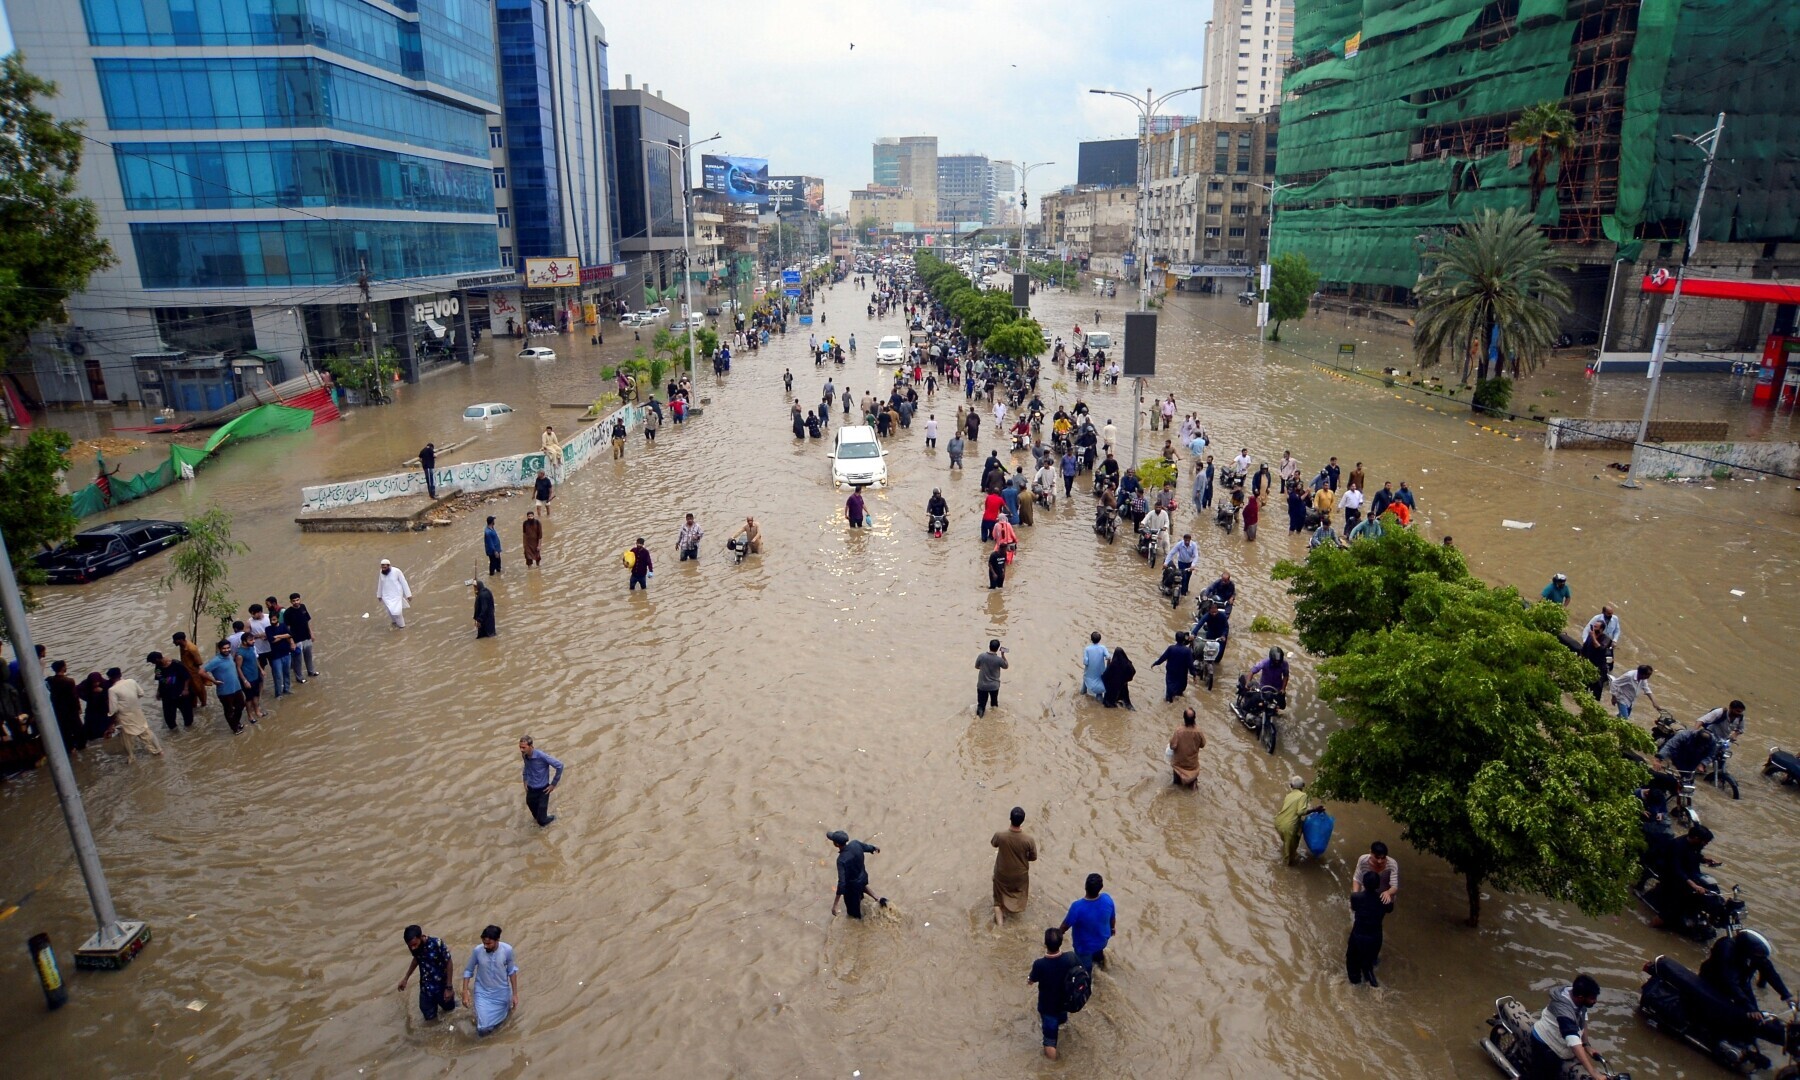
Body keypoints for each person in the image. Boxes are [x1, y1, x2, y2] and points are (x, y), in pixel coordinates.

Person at [1699, 930, 1797, 1047]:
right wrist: (1748, 1007)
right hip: (1717, 983)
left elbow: (1770, 972)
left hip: (1740, 984)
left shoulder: (1753, 956)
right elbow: (1728, 982)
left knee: (1756, 1020)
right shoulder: (1725, 949)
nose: (1760, 958)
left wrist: (1787, 995)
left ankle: (1747, 1040)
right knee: (1734, 1014)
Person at [1527, 975, 1606, 1080]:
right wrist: (1593, 1073)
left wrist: (1586, 1045)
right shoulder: (1564, 1012)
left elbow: (1583, 1019)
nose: (1595, 1001)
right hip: (1546, 1044)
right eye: (1592, 998)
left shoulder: (1577, 997)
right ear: (1580, 997)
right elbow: (1573, 1041)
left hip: (1561, 1042)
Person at [1027, 927, 1082, 1061]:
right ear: (1061, 943)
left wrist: (1029, 980)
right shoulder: (1071, 957)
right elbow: (1080, 970)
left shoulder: (1040, 964)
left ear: (1045, 944)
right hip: (1065, 1003)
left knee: (1049, 1041)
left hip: (1048, 1008)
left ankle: (1054, 1066)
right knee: (1062, 1022)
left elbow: (1032, 980)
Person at [460, 926, 518, 1037]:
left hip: (501, 993)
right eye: (484, 943)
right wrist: (465, 991)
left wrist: (515, 995)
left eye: (489, 943)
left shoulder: (507, 950)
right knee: (483, 1028)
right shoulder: (478, 951)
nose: (485, 946)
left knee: (502, 1021)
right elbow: (468, 971)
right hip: (483, 993)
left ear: (497, 940)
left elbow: (512, 972)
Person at [398, 925, 457, 1022]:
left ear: (421, 937)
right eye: (410, 946)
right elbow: (416, 959)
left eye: (414, 944)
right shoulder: (414, 947)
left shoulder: (437, 943)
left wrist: (449, 987)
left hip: (442, 987)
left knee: (450, 1014)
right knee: (430, 1021)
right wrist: (406, 978)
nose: (413, 948)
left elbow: (449, 962)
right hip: (426, 990)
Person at [991, 806, 1038, 928]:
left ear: (1010, 818)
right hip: (1020, 876)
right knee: (1018, 892)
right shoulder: (1029, 840)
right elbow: (1033, 857)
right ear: (1022, 821)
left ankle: (1000, 926)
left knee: (997, 900)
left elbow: (993, 843)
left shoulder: (1000, 835)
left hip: (1002, 874)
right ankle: (1015, 911)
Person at [1059, 873, 1116, 971]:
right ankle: (1101, 966)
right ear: (1101, 887)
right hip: (1102, 941)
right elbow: (1112, 918)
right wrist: (1112, 929)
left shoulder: (1077, 907)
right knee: (1098, 956)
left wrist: (1056, 937)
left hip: (1084, 948)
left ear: (1085, 886)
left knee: (1085, 970)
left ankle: (1088, 980)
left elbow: (1064, 926)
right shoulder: (1107, 899)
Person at [103, 667, 161, 761]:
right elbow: (141, 693)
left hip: (124, 717)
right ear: (120, 674)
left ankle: (131, 757)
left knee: (127, 739)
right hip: (137, 712)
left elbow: (113, 709)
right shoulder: (131, 681)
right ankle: (158, 750)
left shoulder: (112, 690)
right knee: (146, 732)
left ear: (110, 678)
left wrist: (110, 720)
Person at [1346, 871, 1392, 986]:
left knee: (1352, 964)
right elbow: (1390, 909)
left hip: (1358, 937)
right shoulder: (1384, 900)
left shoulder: (1356, 897)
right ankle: (1374, 985)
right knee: (1368, 966)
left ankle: (1355, 987)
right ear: (1378, 885)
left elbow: (1354, 908)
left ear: (1364, 884)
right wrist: (1387, 894)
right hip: (1375, 938)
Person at [827, 830, 886, 919]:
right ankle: (878, 898)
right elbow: (867, 847)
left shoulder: (841, 860)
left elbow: (842, 883)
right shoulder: (855, 844)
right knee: (860, 888)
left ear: (836, 844)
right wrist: (875, 848)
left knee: (853, 916)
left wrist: (835, 904)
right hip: (863, 878)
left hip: (852, 888)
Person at [203, 639, 247, 734]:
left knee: (241, 706)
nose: (226, 650)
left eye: (228, 648)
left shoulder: (230, 656)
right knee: (229, 710)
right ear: (219, 649)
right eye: (224, 648)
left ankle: (236, 722)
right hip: (225, 691)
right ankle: (235, 729)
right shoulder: (215, 661)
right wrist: (213, 681)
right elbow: (201, 672)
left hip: (236, 688)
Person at [518, 734, 563, 827]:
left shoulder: (542, 756)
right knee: (531, 807)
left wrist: (553, 784)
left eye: (523, 747)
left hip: (543, 790)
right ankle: (539, 820)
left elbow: (560, 765)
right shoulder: (524, 755)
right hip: (530, 788)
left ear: (531, 746)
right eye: (520, 747)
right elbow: (526, 767)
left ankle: (553, 818)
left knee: (542, 821)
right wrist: (525, 780)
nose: (521, 750)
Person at [146, 651, 197, 730]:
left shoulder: (176, 664)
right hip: (167, 696)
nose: (153, 664)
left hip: (180, 694)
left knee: (188, 716)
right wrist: (158, 691)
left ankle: (190, 731)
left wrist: (186, 689)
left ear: (157, 659)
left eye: (153, 662)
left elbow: (187, 677)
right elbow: (160, 680)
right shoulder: (158, 667)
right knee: (169, 718)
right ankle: (175, 733)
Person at [1168, 708, 1205, 788]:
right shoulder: (1199, 732)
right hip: (1192, 766)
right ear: (1194, 718)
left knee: (1176, 787)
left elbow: (1172, 746)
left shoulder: (1178, 731)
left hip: (1179, 766)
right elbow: (1203, 744)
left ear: (1184, 718)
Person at [1275, 777, 1309, 865]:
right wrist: (1314, 810)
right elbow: (1300, 812)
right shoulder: (1303, 795)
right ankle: (1287, 870)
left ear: (1291, 786)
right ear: (1303, 786)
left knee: (1287, 843)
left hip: (1278, 822)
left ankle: (1287, 852)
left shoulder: (1288, 795)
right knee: (1290, 857)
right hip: (1289, 826)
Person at [1152, 633, 1194, 702]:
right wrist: (1194, 674)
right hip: (1182, 675)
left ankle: (1168, 703)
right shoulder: (1187, 651)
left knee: (1169, 694)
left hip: (1171, 674)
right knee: (1179, 692)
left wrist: (1155, 663)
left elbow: (1163, 658)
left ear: (1176, 639)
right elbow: (1190, 664)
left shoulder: (1171, 648)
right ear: (1184, 640)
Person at [284, 593, 318, 680]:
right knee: (297, 659)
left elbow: (307, 621)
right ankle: (299, 677)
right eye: (294, 601)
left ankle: (311, 671)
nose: (296, 602)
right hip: (296, 639)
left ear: (300, 599)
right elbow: (287, 629)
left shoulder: (303, 607)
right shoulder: (288, 612)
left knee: (308, 655)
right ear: (291, 602)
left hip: (306, 636)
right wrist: (291, 641)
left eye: (297, 600)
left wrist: (311, 633)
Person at [375, 558, 412, 629]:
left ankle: (402, 627)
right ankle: (394, 623)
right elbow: (380, 583)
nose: (384, 569)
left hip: (396, 594)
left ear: (389, 566)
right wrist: (379, 595)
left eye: (385, 567)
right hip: (386, 595)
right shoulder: (381, 572)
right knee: (390, 610)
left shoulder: (397, 571)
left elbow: (404, 582)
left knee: (397, 612)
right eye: (382, 567)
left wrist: (408, 595)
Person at [976, 639, 1008, 717]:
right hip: (994, 686)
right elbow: (1006, 666)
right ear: (998, 649)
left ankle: (979, 718)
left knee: (981, 705)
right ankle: (993, 719)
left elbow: (977, 666)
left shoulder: (981, 656)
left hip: (982, 685)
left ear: (989, 646)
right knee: (994, 704)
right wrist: (1003, 655)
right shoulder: (999, 660)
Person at [1081, 632, 1109, 699]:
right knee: (1099, 692)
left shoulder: (1087, 649)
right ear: (1100, 640)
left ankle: (1083, 692)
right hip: (1100, 672)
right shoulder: (1103, 648)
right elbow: (1108, 657)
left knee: (1085, 679)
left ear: (1091, 639)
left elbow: (1085, 662)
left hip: (1089, 673)